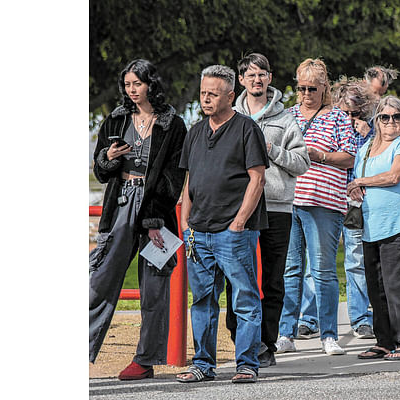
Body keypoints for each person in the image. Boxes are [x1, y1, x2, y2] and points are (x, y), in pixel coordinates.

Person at [89, 59, 187, 380]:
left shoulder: (173, 124)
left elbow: (174, 176)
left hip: (156, 211)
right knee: (100, 278)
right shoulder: (115, 120)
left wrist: (155, 217)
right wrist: (108, 158)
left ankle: (145, 360)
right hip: (119, 205)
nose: (132, 90)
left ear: (151, 84)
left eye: (138, 84)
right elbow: (100, 171)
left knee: (155, 285)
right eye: (128, 84)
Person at [176, 65, 269, 384]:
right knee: (202, 300)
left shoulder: (247, 129)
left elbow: (257, 178)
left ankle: (246, 364)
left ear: (230, 95)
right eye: (203, 93)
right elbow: (189, 180)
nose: (206, 99)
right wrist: (186, 223)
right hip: (198, 233)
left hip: (234, 233)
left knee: (244, 299)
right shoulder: (195, 132)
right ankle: (202, 363)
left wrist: (239, 222)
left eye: (213, 94)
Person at [226, 53, 311, 368]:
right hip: (239, 209)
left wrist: (272, 150)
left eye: (262, 74)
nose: (257, 80)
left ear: (270, 78)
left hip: (277, 207)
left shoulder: (285, 119)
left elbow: (302, 162)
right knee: (237, 278)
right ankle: (240, 338)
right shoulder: (230, 116)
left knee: (273, 280)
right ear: (242, 81)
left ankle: (266, 344)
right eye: (251, 75)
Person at [277, 58, 356, 356]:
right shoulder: (288, 115)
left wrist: (318, 155)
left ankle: (329, 334)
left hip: (324, 201)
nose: (306, 94)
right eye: (301, 88)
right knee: (290, 270)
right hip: (289, 201)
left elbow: (350, 157)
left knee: (322, 270)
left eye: (312, 88)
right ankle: (286, 332)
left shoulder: (338, 118)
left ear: (324, 88)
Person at [347, 96, 400, 360]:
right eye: (385, 117)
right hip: (371, 226)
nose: (391, 122)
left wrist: (361, 181)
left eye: (397, 117)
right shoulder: (365, 148)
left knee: (396, 287)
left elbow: (394, 176)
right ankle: (383, 341)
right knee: (376, 288)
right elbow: (361, 184)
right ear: (376, 121)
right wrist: (357, 189)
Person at [331, 77, 379, 340]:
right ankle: (309, 317)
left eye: (356, 113)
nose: (350, 118)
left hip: (357, 202)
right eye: (346, 112)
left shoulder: (374, 130)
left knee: (356, 261)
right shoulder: (329, 124)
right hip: (328, 199)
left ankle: (360, 318)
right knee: (316, 264)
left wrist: (368, 135)